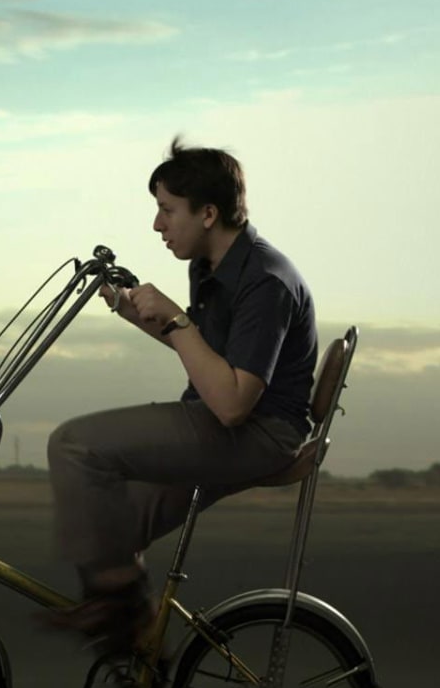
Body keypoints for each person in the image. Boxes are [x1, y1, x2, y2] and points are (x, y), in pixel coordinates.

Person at [45, 137, 318, 650]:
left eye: (167, 210)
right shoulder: (212, 265)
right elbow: (206, 356)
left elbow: (232, 404)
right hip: (220, 417)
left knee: (73, 444)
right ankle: (139, 652)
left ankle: (122, 610)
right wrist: (134, 312)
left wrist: (175, 317)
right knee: (108, 525)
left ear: (208, 214)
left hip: (258, 432)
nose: (157, 224)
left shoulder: (265, 281)